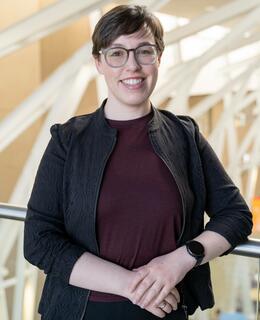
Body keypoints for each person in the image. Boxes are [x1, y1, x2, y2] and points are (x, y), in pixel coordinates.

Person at [23, 4, 253, 320]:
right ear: (99, 62)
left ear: (159, 58)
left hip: (165, 310)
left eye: (144, 52)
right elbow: (39, 241)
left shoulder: (185, 136)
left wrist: (179, 261)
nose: (132, 66)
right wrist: (133, 285)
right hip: (80, 312)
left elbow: (236, 215)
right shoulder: (68, 139)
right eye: (117, 54)